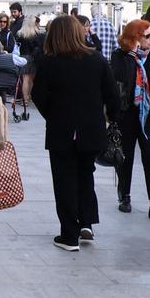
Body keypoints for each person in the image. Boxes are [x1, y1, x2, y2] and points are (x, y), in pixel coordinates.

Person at [29, 13, 118, 251]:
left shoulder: (50, 62)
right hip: (92, 130)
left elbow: (38, 95)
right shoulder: (97, 59)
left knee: (65, 180)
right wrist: (107, 118)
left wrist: (54, 114)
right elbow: (112, 95)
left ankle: (69, 234)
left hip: (62, 130)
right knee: (85, 175)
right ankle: (86, 222)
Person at [109, 19, 150, 222]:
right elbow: (119, 78)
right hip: (127, 113)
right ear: (135, 38)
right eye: (147, 35)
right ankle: (125, 196)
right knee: (126, 158)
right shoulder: (119, 56)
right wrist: (132, 56)